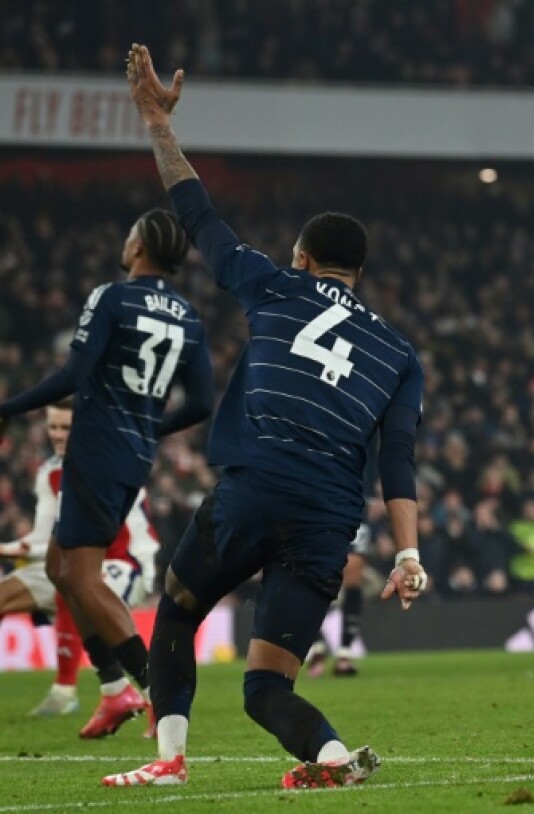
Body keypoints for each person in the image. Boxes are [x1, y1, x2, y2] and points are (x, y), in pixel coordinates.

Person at [105, 44, 428, 789]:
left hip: (260, 482)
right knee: (266, 687)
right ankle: (332, 757)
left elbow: (197, 213)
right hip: (327, 517)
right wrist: (408, 554)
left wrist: (157, 121)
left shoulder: (275, 286)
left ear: (307, 260)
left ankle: (170, 761)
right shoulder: (398, 351)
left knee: (179, 614)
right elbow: (399, 458)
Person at [0, 188, 213, 731]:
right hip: (133, 453)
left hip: (98, 449)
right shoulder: (189, 318)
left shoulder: (113, 298)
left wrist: (9, 407)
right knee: (59, 568)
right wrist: (147, 426)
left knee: (83, 575)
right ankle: (115, 687)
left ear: (138, 245)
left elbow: (73, 377)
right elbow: (202, 403)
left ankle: (152, 690)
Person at [0, 401, 161, 737]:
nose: (58, 435)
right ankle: (114, 690)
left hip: (125, 562)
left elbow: (93, 536)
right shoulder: (50, 473)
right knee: (54, 575)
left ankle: (155, 696)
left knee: (75, 575)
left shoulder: (110, 464)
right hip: (70, 560)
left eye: (66, 428)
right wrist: (9, 548)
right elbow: (43, 539)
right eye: (53, 427)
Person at [304, 523, 372, 677]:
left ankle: (344, 653)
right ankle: (317, 644)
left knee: (353, 569)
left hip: (349, 511)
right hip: (315, 513)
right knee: (309, 573)